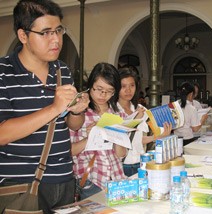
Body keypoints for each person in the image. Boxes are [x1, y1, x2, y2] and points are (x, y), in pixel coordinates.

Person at [0, 0, 90, 213]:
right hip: (21, 185)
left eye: (59, 31)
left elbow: (73, 125)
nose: (56, 40)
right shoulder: (3, 73)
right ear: (23, 36)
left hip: (65, 179)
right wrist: (53, 108)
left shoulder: (62, 70)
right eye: (46, 33)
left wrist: (78, 111)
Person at [70, 62, 127, 200]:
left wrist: (116, 136)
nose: (103, 95)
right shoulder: (79, 112)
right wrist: (90, 137)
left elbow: (121, 154)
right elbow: (69, 151)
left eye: (109, 91)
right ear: (90, 85)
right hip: (92, 180)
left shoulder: (118, 114)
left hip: (116, 178)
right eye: (99, 89)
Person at [118, 67, 172, 176]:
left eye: (132, 85)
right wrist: (136, 119)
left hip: (140, 162)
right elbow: (118, 140)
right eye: (123, 86)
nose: (128, 90)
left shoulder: (139, 109)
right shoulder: (112, 110)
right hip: (121, 164)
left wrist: (158, 136)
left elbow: (138, 139)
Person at [174, 82, 208, 146]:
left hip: (176, 138)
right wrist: (203, 120)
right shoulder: (192, 108)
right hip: (187, 139)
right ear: (191, 94)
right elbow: (195, 129)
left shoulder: (175, 105)